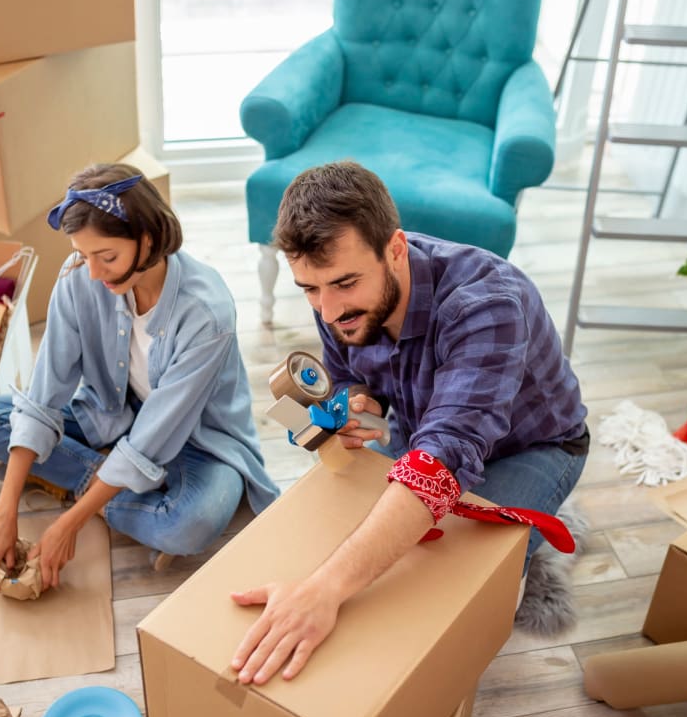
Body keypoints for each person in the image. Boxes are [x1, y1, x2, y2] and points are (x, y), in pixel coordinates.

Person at [230, 161, 588, 686]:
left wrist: (324, 591)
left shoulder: (487, 304)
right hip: (424, 431)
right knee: (350, 532)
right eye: (309, 289)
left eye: (344, 284)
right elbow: (354, 375)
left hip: (531, 446)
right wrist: (360, 403)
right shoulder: (337, 291)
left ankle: (527, 553)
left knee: (450, 593)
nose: (327, 311)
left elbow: (444, 456)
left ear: (395, 248)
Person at [0, 162, 278, 592]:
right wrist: (5, 511)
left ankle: (77, 481)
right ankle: (104, 480)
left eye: (106, 256)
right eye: (83, 254)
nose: (92, 271)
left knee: (189, 526)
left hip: (199, 442)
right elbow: (44, 394)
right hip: (111, 414)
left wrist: (67, 524)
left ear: (147, 239)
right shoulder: (80, 277)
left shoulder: (207, 313)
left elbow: (155, 435)